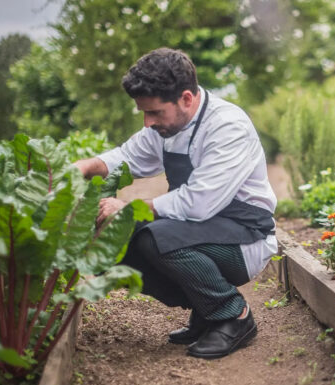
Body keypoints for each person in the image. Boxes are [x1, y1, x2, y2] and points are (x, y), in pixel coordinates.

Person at [74, 48, 277, 359]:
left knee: (157, 238)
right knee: (123, 239)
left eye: (154, 113)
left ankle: (233, 316)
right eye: (143, 112)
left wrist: (129, 208)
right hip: (202, 229)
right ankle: (205, 310)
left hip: (245, 235)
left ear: (185, 98)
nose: (147, 122)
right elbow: (128, 157)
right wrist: (85, 166)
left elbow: (198, 203)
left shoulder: (227, 126)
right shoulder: (168, 125)